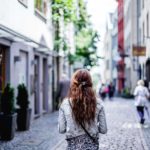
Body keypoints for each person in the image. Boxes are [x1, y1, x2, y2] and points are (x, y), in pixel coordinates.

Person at [58, 69, 107, 150]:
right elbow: (103, 129)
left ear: (74, 83)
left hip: (73, 146)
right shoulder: (98, 103)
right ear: (90, 83)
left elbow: (61, 129)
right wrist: (92, 127)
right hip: (92, 146)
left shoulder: (65, 103)